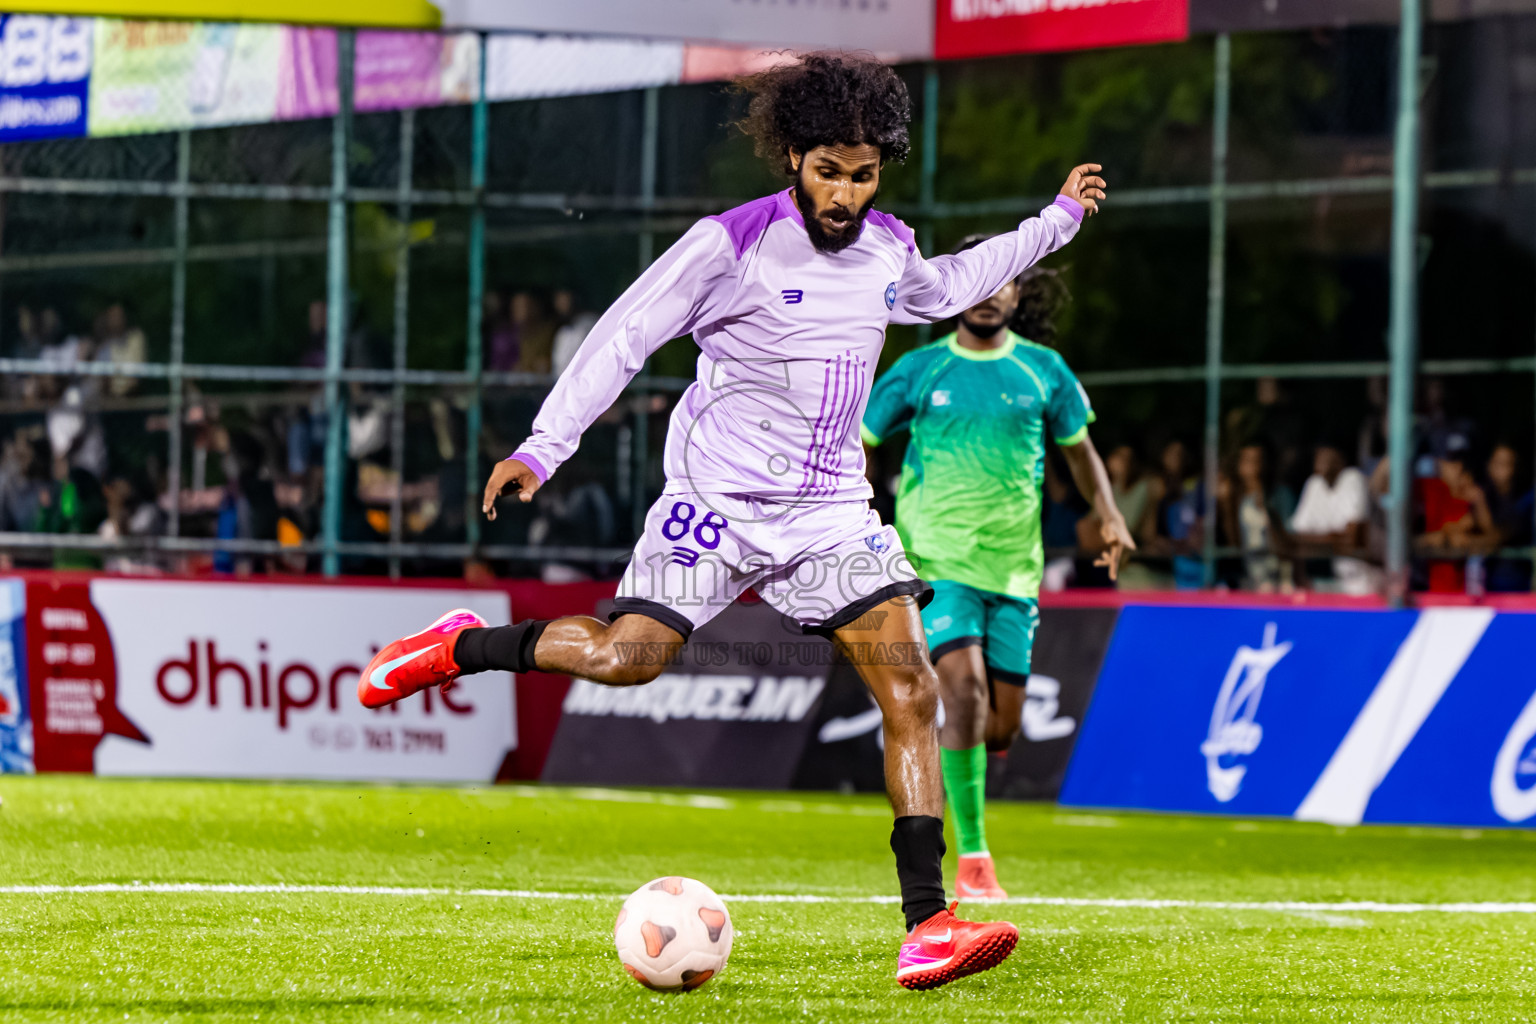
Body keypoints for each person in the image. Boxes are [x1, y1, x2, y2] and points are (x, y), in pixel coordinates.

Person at [356, 53, 1105, 990]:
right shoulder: (730, 245)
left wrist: (1056, 220)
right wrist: (545, 446)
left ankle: (929, 924)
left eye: (863, 173)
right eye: (828, 170)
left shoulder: (887, 249)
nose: (845, 192)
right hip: (715, 504)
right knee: (627, 660)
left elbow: (950, 285)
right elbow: (624, 336)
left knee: (912, 693)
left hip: (829, 513)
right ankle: (463, 648)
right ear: (794, 157)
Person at [861, 240, 1131, 901]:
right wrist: (861, 520)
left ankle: (950, 741)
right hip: (936, 561)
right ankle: (975, 858)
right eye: (975, 279)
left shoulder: (1045, 371)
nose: (988, 291)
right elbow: (861, 444)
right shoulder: (917, 370)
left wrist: (1111, 514)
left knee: (998, 724)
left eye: (1003, 280)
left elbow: (1081, 452)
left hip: (1014, 572)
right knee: (966, 694)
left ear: (1018, 293)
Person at [1290, 441, 1378, 594]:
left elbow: (1354, 537)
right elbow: (1297, 535)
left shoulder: (1353, 478)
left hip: (1366, 579)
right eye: (1318, 455)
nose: (1321, 460)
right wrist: (1334, 538)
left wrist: (1316, 540)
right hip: (1333, 578)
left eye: (1326, 455)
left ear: (1341, 458)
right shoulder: (1314, 483)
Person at [1483, 443, 1533, 592]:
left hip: (1517, 587)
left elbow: (1496, 537)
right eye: (1497, 463)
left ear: (1516, 468)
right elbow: (1463, 526)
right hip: (1488, 585)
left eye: (1506, 464)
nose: (1500, 469)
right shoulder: (1488, 496)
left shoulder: (1526, 499)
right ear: (1489, 466)